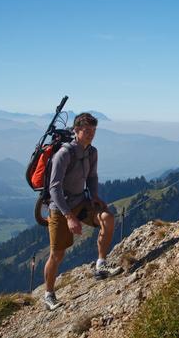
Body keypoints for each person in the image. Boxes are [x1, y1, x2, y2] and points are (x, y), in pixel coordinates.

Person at [43, 112, 121, 311]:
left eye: (93, 130)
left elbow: (92, 176)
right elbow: (54, 188)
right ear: (76, 130)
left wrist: (94, 195)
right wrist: (69, 217)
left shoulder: (92, 152)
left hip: (82, 201)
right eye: (87, 130)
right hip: (60, 208)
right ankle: (49, 295)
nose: (91, 134)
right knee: (57, 254)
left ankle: (101, 265)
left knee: (107, 218)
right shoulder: (64, 154)